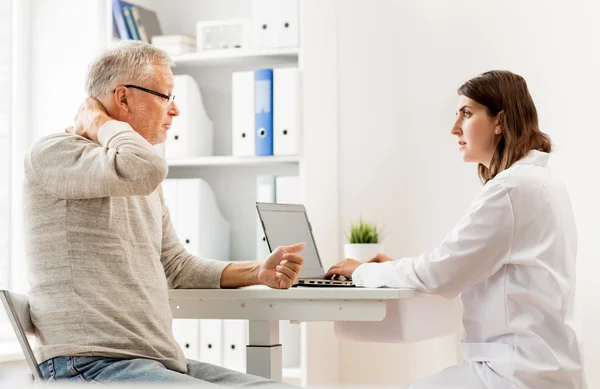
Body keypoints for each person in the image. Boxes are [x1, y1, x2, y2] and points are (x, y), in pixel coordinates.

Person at [24, 40, 305, 387]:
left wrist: (257, 271)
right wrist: (99, 123)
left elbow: (176, 266)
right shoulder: (56, 154)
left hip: (158, 363)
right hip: (91, 364)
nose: (175, 111)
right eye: (166, 96)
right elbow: (147, 167)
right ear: (123, 97)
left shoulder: (135, 174)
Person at [326, 70, 586, 389]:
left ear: (499, 121)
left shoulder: (510, 190)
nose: (454, 128)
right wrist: (399, 269)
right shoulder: (544, 183)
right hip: (547, 369)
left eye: (467, 113)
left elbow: (439, 271)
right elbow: (455, 267)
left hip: (515, 373)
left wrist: (361, 272)